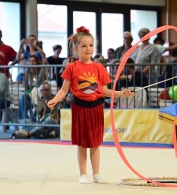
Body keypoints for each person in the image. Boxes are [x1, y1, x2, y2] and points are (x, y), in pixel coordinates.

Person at [47, 26, 134, 184]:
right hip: (80, 109)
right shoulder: (71, 68)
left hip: (96, 109)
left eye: (91, 45)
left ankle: (96, 173)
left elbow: (104, 90)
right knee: (82, 144)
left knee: (95, 143)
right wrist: (55, 99)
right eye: (84, 46)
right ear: (75, 48)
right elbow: (64, 90)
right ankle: (83, 174)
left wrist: (121, 93)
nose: (88, 49)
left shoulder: (99, 68)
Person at [19, 55, 47, 121]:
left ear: (37, 62)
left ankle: (29, 120)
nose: (31, 62)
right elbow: (25, 87)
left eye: (34, 61)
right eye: (30, 61)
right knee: (24, 98)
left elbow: (44, 84)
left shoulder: (41, 72)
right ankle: (25, 119)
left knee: (29, 100)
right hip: (29, 94)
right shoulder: (26, 72)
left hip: (39, 93)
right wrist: (25, 76)